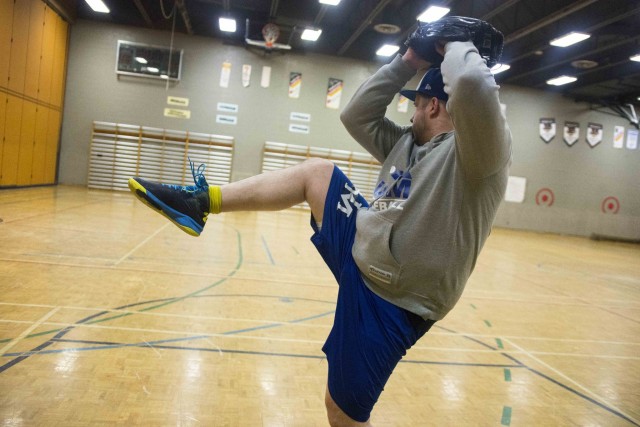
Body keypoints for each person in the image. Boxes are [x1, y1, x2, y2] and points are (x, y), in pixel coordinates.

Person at [128, 33, 511, 426]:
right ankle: (200, 203)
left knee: (341, 411)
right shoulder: (405, 145)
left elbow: (471, 85)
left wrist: (456, 42)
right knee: (317, 174)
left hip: (395, 302)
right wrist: (408, 60)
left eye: (413, 104)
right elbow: (355, 115)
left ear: (433, 105)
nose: (408, 113)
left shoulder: (476, 158)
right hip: (361, 250)